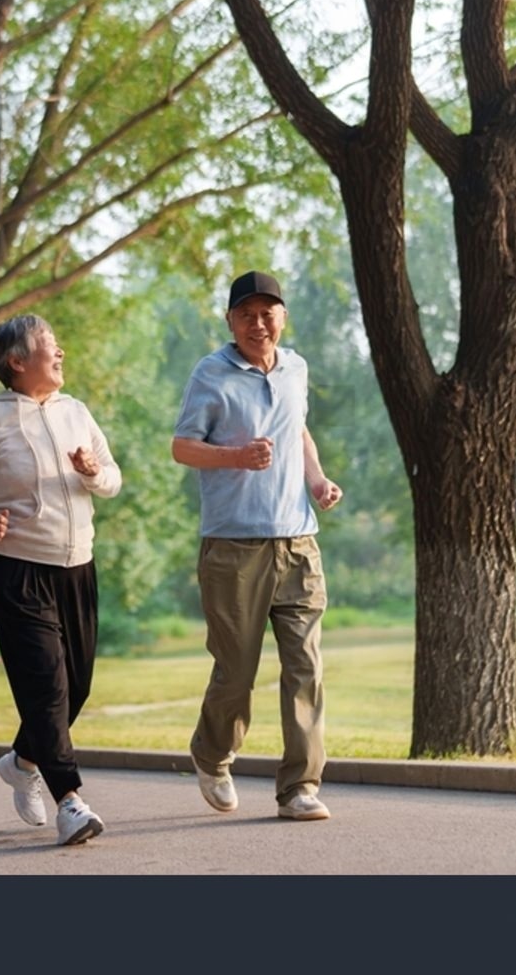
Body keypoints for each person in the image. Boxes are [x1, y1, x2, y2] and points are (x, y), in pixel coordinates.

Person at [0, 315, 121, 846]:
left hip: (77, 564)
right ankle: (70, 800)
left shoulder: (76, 412)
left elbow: (111, 480)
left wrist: (91, 471)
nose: (61, 353)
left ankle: (22, 762)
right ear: (16, 361)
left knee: (77, 687)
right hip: (17, 566)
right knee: (46, 684)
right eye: (50, 347)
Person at [171, 269, 343, 821]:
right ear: (230, 321)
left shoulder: (296, 368)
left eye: (268, 312)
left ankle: (299, 787)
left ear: (283, 317)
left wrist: (315, 481)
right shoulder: (211, 373)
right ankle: (213, 753)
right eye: (246, 314)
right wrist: (235, 457)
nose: (258, 323)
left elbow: (299, 432)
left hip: (298, 541)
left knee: (305, 668)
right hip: (233, 548)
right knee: (236, 671)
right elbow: (182, 447)